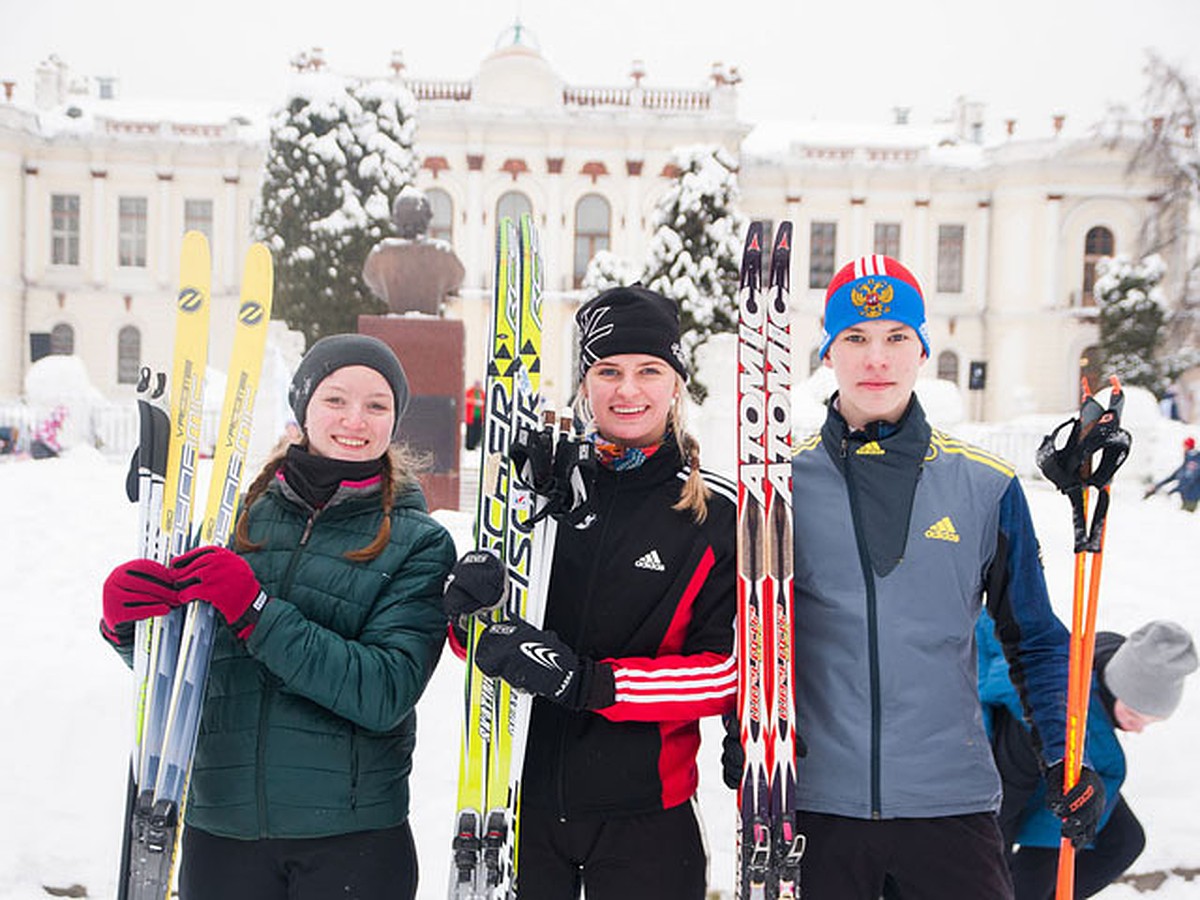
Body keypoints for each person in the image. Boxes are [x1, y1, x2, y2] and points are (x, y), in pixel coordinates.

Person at [778, 255, 1096, 898]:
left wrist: (1065, 751)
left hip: (950, 806)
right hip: (818, 809)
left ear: (922, 350)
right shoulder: (782, 485)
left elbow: (1032, 635)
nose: (877, 359)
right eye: (856, 339)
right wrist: (746, 734)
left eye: (897, 337)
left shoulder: (985, 485)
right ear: (828, 353)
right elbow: (754, 635)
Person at [99, 334, 456, 900]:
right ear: (304, 411)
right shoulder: (236, 520)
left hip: (350, 841)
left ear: (395, 420)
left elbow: (385, 690)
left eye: (376, 405)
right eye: (335, 400)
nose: (355, 420)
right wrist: (129, 628)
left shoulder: (419, 543)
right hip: (223, 829)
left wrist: (256, 611)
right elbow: (197, 668)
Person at [443, 285, 738, 900]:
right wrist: (467, 609)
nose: (627, 390)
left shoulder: (715, 515)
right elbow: (491, 641)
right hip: (522, 807)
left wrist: (589, 682)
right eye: (607, 371)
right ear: (584, 384)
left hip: (646, 820)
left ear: (676, 382)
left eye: (648, 370)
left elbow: (727, 675)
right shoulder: (539, 491)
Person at [980, 616, 1198, 899]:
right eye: (1133, 716)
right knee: (1028, 874)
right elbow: (1001, 808)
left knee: (1124, 840)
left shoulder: (1107, 665)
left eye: (1149, 721)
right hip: (1004, 774)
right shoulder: (1039, 715)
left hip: (1069, 762)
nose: (1140, 729)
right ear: (1116, 688)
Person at [1143, 436, 1200, 512]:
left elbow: (1188, 480)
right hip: (1185, 496)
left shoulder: (1194, 461)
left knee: (1186, 518)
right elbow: (1174, 476)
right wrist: (1157, 486)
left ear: (1187, 446)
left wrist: (1172, 491)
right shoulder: (1188, 460)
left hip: (1191, 496)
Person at [464, 379, 484, 451]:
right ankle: (469, 446)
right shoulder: (470, 392)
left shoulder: (482, 393)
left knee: (478, 431)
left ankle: (476, 444)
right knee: (471, 431)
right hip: (471, 416)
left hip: (479, 416)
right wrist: (474, 402)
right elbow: (466, 400)